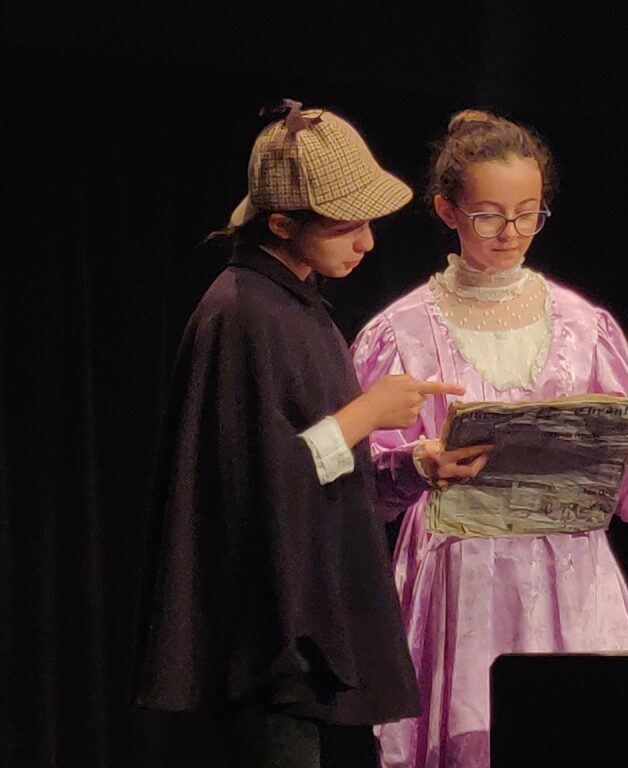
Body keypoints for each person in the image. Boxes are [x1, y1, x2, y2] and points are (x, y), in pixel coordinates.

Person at [350, 109, 628, 768]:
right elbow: (359, 487)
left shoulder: (584, 327)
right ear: (448, 211)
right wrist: (417, 463)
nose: (511, 233)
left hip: (573, 581)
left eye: (528, 214)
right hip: (462, 585)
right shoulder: (401, 333)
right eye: (489, 215)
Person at [132, 101, 472, 768]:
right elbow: (250, 483)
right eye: (347, 227)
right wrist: (367, 413)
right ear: (283, 224)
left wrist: (413, 465)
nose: (366, 243)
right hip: (265, 637)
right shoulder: (242, 314)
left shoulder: (295, 306)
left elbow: (321, 466)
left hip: (307, 622)